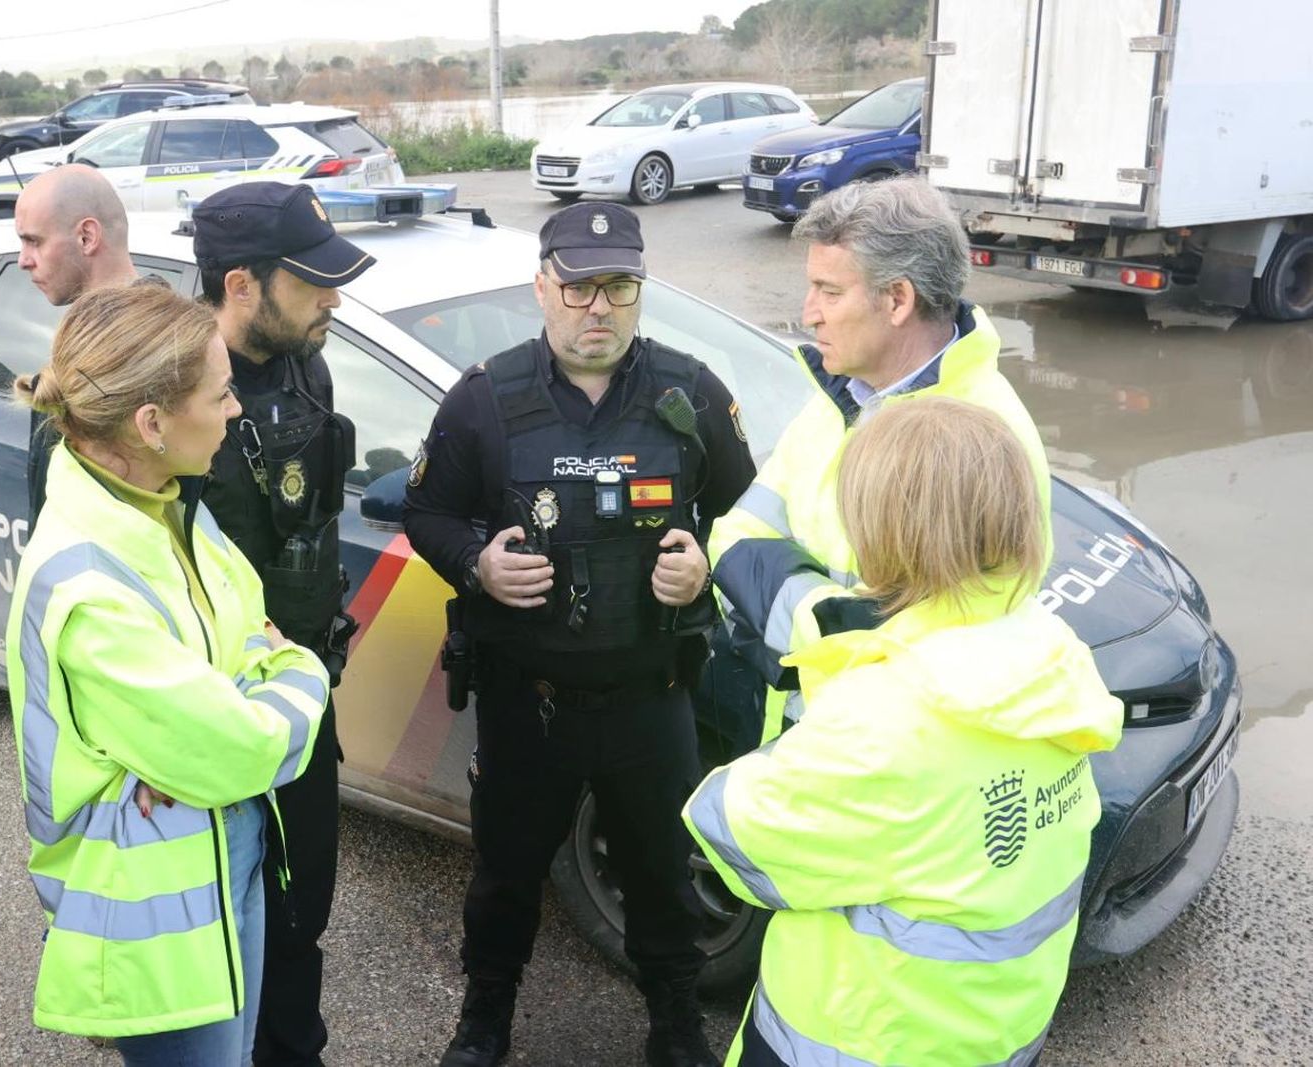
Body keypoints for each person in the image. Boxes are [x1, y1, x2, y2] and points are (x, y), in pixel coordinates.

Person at [403, 202, 756, 1067]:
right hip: (531, 705)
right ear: (543, 288)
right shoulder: (484, 398)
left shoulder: (692, 393)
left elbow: (751, 515)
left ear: (641, 291)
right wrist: (476, 563)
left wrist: (702, 562)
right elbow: (427, 511)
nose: (598, 307)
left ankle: (674, 1024)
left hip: (653, 701)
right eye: (578, 286)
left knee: (664, 874)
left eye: (619, 287)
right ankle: (485, 1018)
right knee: (505, 876)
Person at [685, 397, 1123, 1067]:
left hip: (858, 1042)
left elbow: (733, 830)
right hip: (998, 1033)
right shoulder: (1050, 650)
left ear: (884, 530)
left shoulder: (883, 715)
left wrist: (833, 693)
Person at [6, 284, 330, 1065]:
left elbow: (247, 620)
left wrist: (237, 687)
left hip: (222, 848)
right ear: (151, 424)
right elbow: (240, 743)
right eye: (219, 395)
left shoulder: (168, 504)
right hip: (156, 914)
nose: (235, 411)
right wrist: (304, 670)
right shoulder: (90, 587)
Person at [708, 175, 1052, 745]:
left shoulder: (978, 441)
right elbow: (734, 535)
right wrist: (824, 619)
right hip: (808, 732)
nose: (808, 313)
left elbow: (919, 661)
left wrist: (781, 608)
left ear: (897, 300)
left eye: (830, 292)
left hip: (888, 762)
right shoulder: (844, 396)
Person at [191, 181, 368, 1067]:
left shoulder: (308, 364)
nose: (333, 298)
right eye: (312, 281)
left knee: (303, 917)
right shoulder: (164, 397)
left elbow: (316, 523)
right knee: (217, 937)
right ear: (241, 286)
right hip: (206, 728)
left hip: (300, 702)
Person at [14, 164, 142, 524]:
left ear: (87, 237)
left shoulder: (154, 347)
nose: (23, 260)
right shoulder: (89, 336)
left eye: (33, 241)